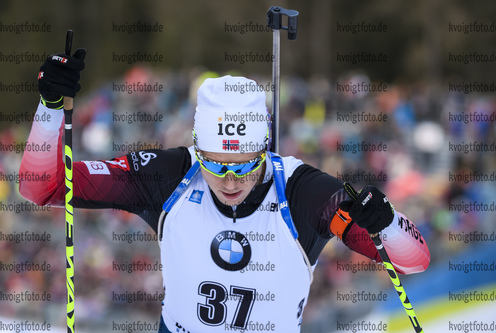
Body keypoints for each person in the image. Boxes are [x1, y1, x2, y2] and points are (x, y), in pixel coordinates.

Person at [20, 48, 430, 333]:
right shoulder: (169, 175)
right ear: (197, 147)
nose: (230, 180)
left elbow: (413, 261)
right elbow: (43, 187)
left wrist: (388, 222)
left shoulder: (304, 192)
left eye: (246, 165)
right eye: (214, 164)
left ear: (265, 149)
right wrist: (51, 106)